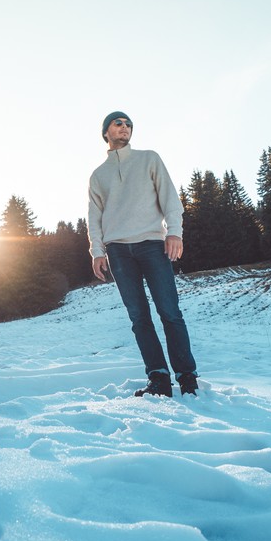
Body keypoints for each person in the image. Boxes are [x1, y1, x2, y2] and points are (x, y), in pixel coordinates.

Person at [88, 111, 198, 397]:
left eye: (128, 124)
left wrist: (174, 232)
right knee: (139, 317)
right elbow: (94, 217)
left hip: (152, 243)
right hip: (118, 251)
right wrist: (97, 251)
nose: (124, 127)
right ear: (106, 132)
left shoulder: (149, 158)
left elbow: (170, 198)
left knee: (170, 312)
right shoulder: (98, 175)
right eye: (118, 123)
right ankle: (159, 378)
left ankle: (187, 377)